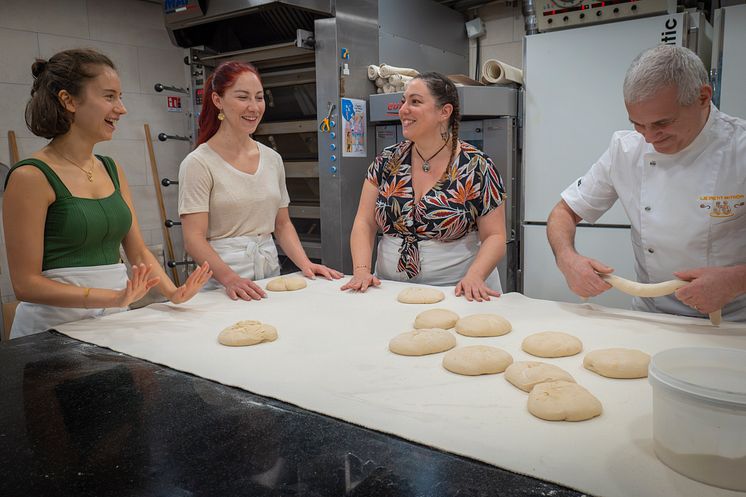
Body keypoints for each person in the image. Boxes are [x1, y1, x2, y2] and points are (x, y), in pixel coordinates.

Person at [3, 49, 212, 339]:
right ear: (69, 100)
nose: (122, 108)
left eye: (120, 97)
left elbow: (137, 251)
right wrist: (111, 297)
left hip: (112, 322)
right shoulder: (31, 176)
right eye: (109, 96)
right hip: (51, 331)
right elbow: (25, 284)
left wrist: (173, 292)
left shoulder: (111, 169)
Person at [547, 45, 746, 321]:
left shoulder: (741, 148)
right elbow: (563, 212)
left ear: (703, 97)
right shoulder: (625, 149)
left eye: (662, 123)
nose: (650, 138)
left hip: (733, 320)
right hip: (651, 315)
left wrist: (737, 279)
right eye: (638, 125)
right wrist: (567, 258)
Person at [178, 61, 342, 301]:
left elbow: (282, 225)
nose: (253, 107)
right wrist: (229, 278)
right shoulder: (199, 163)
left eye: (259, 98)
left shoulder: (272, 159)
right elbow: (193, 239)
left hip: (268, 274)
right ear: (217, 101)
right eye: (243, 97)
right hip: (220, 281)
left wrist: (306, 264)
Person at [340, 72, 507, 302]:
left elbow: (495, 236)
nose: (403, 110)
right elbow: (364, 222)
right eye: (403, 101)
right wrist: (361, 270)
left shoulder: (477, 166)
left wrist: (475, 277)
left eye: (415, 102)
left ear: (444, 112)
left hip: (459, 291)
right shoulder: (387, 161)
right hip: (389, 289)